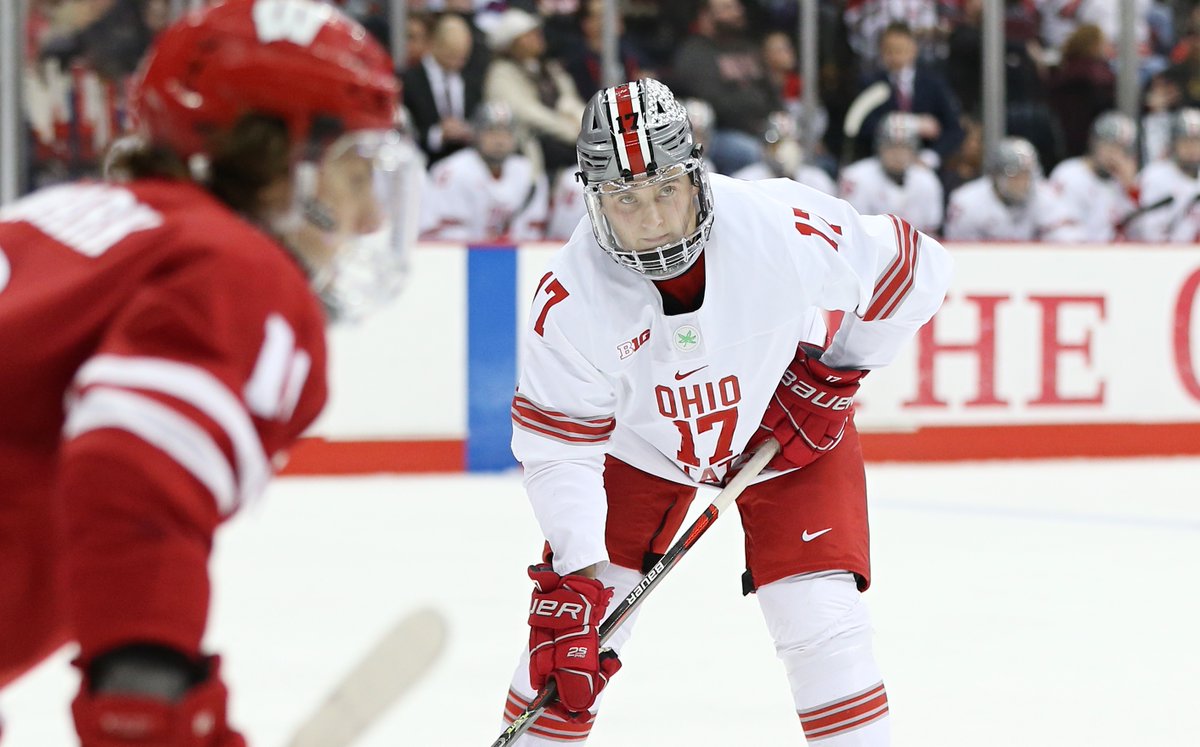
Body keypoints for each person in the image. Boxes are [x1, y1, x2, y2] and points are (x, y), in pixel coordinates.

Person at [0, 1, 424, 744]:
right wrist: (152, 713)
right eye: (351, 174)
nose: (368, 222)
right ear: (275, 159)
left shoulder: (59, 216)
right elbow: (131, 469)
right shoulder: (238, 267)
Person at [500, 78, 952, 745]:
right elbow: (559, 450)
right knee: (568, 650)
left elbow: (920, 270)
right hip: (641, 444)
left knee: (822, 624)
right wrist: (581, 572)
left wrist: (836, 371)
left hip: (781, 421)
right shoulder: (571, 297)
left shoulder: (776, 226)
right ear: (593, 200)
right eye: (626, 198)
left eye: (667, 190)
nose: (652, 217)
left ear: (696, 174)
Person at [420, 101, 549, 242]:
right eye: (492, 132)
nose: (500, 141)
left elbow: (532, 232)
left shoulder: (529, 173)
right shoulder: (452, 171)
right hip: (463, 258)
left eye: (507, 133)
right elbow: (448, 236)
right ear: (476, 134)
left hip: (512, 256)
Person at [944, 136, 1081, 241]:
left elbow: (1069, 239)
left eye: (1027, 174)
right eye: (1015, 175)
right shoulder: (966, 202)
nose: (1023, 182)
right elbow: (960, 252)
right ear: (995, 176)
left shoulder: (1044, 194)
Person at [839, 112, 943, 236]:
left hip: (914, 251)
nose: (898, 154)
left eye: (904, 147)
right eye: (892, 146)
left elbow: (931, 232)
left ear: (914, 150)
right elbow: (851, 230)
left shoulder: (926, 179)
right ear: (880, 147)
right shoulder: (856, 177)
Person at [1046, 110, 1140, 242]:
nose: (1113, 154)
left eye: (1120, 148)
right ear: (1094, 143)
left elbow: (1140, 234)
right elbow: (1058, 229)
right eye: (1108, 145)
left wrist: (1131, 189)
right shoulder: (1068, 174)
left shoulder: (1122, 182)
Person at [1128, 107, 1200, 242]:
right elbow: (1148, 233)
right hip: (1160, 255)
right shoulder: (1156, 176)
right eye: (1186, 141)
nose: (1193, 148)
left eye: (1197, 141)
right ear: (1173, 144)